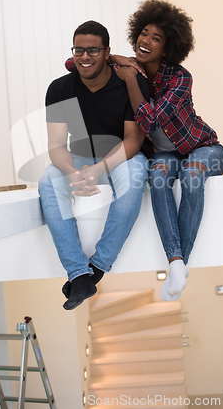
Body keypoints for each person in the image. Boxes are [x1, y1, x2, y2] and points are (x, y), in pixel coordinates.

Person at [65, 0, 223, 301]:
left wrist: (129, 77)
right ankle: (176, 264)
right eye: (144, 33)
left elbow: (150, 119)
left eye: (156, 38)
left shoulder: (180, 77)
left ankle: (179, 261)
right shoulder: (127, 65)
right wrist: (114, 57)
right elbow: (74, 64)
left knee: (192, 174)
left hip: (201, 148)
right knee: (157, 176)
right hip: (165, 155)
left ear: (167, 48)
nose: (146, 40)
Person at [38, 20, 149, 310]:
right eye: (79, 50)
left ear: (107, 52)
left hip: (118, 157)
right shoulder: (60, 89)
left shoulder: (128, 84)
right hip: (80, 159)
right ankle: (78, 274)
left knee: (136, 175)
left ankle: (96, 268)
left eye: (92, 51)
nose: (84, 57)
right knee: (49, 180)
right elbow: (56, 145)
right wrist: (75, 174)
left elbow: (132, 140)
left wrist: (98, 169)